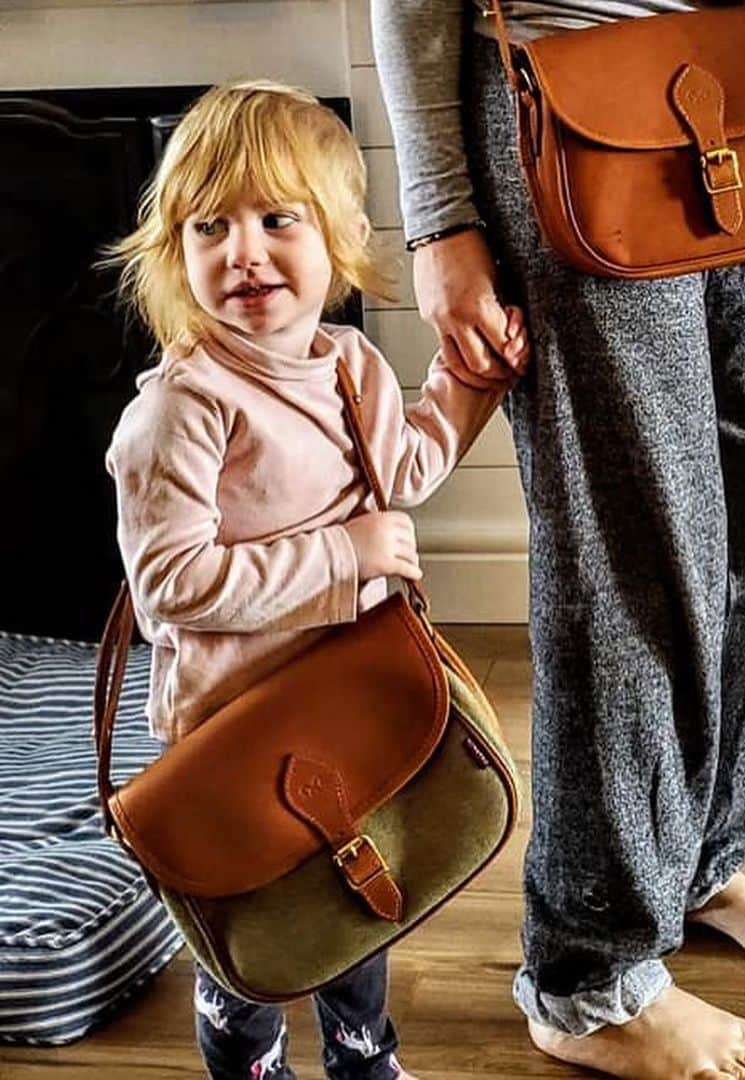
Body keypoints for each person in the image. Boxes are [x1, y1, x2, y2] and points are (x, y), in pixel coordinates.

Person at [372, 1, 745, 1078]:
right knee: (635, 569)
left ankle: (689, 860)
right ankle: (588, 979)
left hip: (733, 81)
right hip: (558, 103)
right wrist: (442, 222)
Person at [101, 79, 527, 1080]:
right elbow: (171, 584)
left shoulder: (347, 366)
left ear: (336, 241)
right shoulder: (183, 408)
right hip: (229, 718)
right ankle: (249, 1067)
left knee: (352, 904)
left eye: (276, 219)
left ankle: (362, 1060)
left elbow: (406, 467)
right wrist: (346, 559)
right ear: (178, 257)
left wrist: (471, 384)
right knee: (249, 933)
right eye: (211, 228)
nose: (243, 251)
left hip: (344, 693)